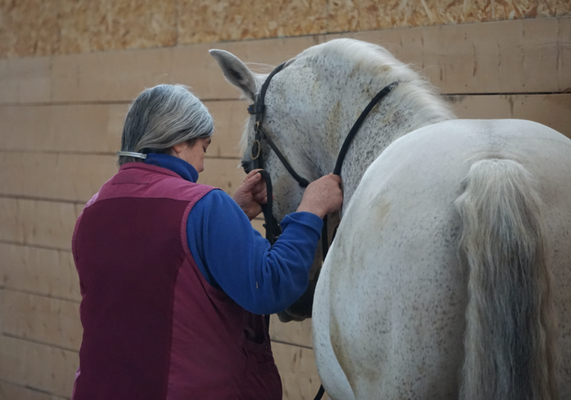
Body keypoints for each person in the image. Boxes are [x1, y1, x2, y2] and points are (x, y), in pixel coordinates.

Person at [71, 84, 343, 400]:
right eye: (204, 146)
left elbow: (164, 257)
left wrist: (231, 215)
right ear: (178, 142)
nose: (202, 164)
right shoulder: (203, 206)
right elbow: (269, 286)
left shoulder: (93, 211)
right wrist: (311, 209)